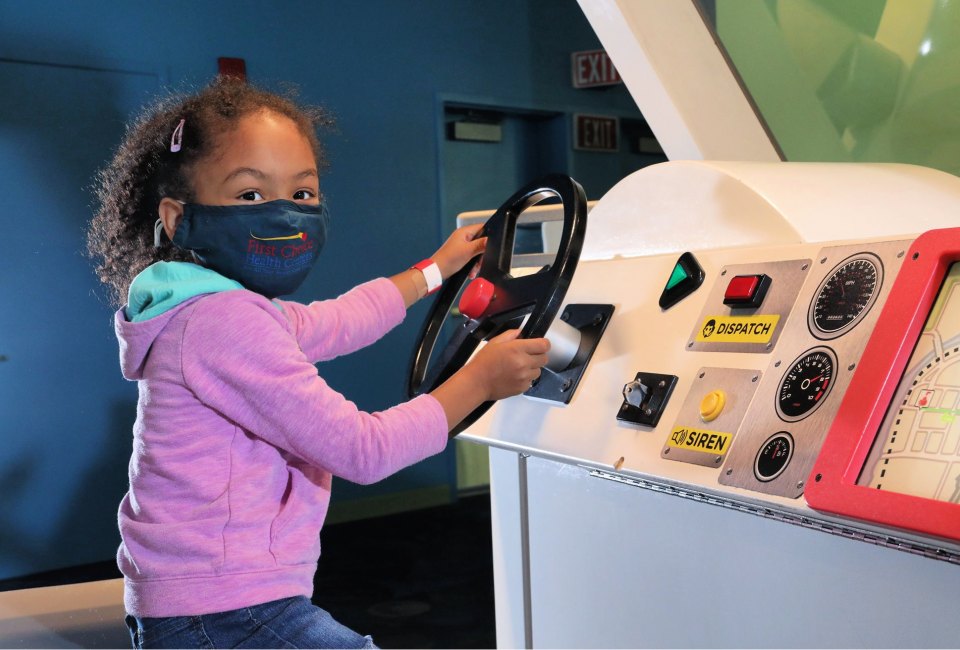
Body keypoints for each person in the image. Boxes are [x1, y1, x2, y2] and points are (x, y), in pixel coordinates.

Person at [86, 77, 549, 649]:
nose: (284, 214)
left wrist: (435, 269)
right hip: (227, 612)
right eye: (251, 195)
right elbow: (363, 449)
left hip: (209, 602)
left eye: (303, 194)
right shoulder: (223, 323)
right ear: (179, 219)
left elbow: (338, 320)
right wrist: (480, 380)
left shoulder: (207, 310)